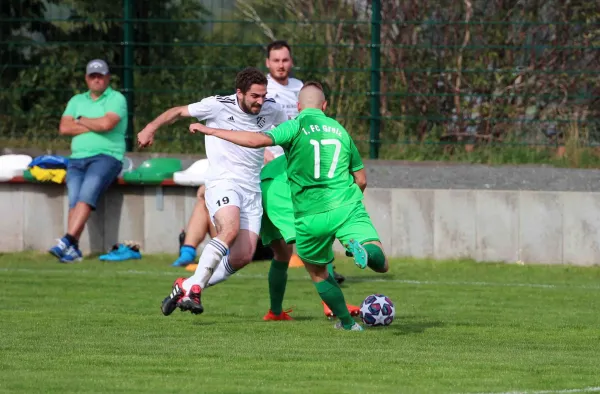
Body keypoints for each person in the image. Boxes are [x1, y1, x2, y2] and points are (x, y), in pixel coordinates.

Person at [189, 82, 389, 331]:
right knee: (380, 262)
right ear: (325, 106)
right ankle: (362, 252)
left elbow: (256, 141)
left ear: (297, 107)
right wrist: (348, 204)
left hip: (293, 203)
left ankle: (340, 323)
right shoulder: (340, 130)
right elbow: (361, 180)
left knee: (302, 263)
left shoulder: (295, 126)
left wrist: (215, 131)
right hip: (338, 203)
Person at [137, 67, 288, 316]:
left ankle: (184, 286)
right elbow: (177, 112)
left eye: (263, 95)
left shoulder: (272, 108)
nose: (260, 101)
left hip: (252, 188)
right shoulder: (217, 105)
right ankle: (196, 288)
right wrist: (150, 128)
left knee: (243, 256)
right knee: (228, 229)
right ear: (239, 93)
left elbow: (290, 134)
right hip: (223, 182)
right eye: (254, 96)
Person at [49, 59, 126, 263]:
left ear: (108, 77)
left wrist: (80, 120)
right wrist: (94, 124)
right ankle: (72, 249)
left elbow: (108, 123)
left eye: (101, 76)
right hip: (76, 159)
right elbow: (64, 128)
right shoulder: (76, 100)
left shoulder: (116, 98)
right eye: (93, 76)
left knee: (86, 195)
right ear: (86, 78)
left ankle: (66, 240)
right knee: (75, 201)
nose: (97, 80)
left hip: (107, 156)